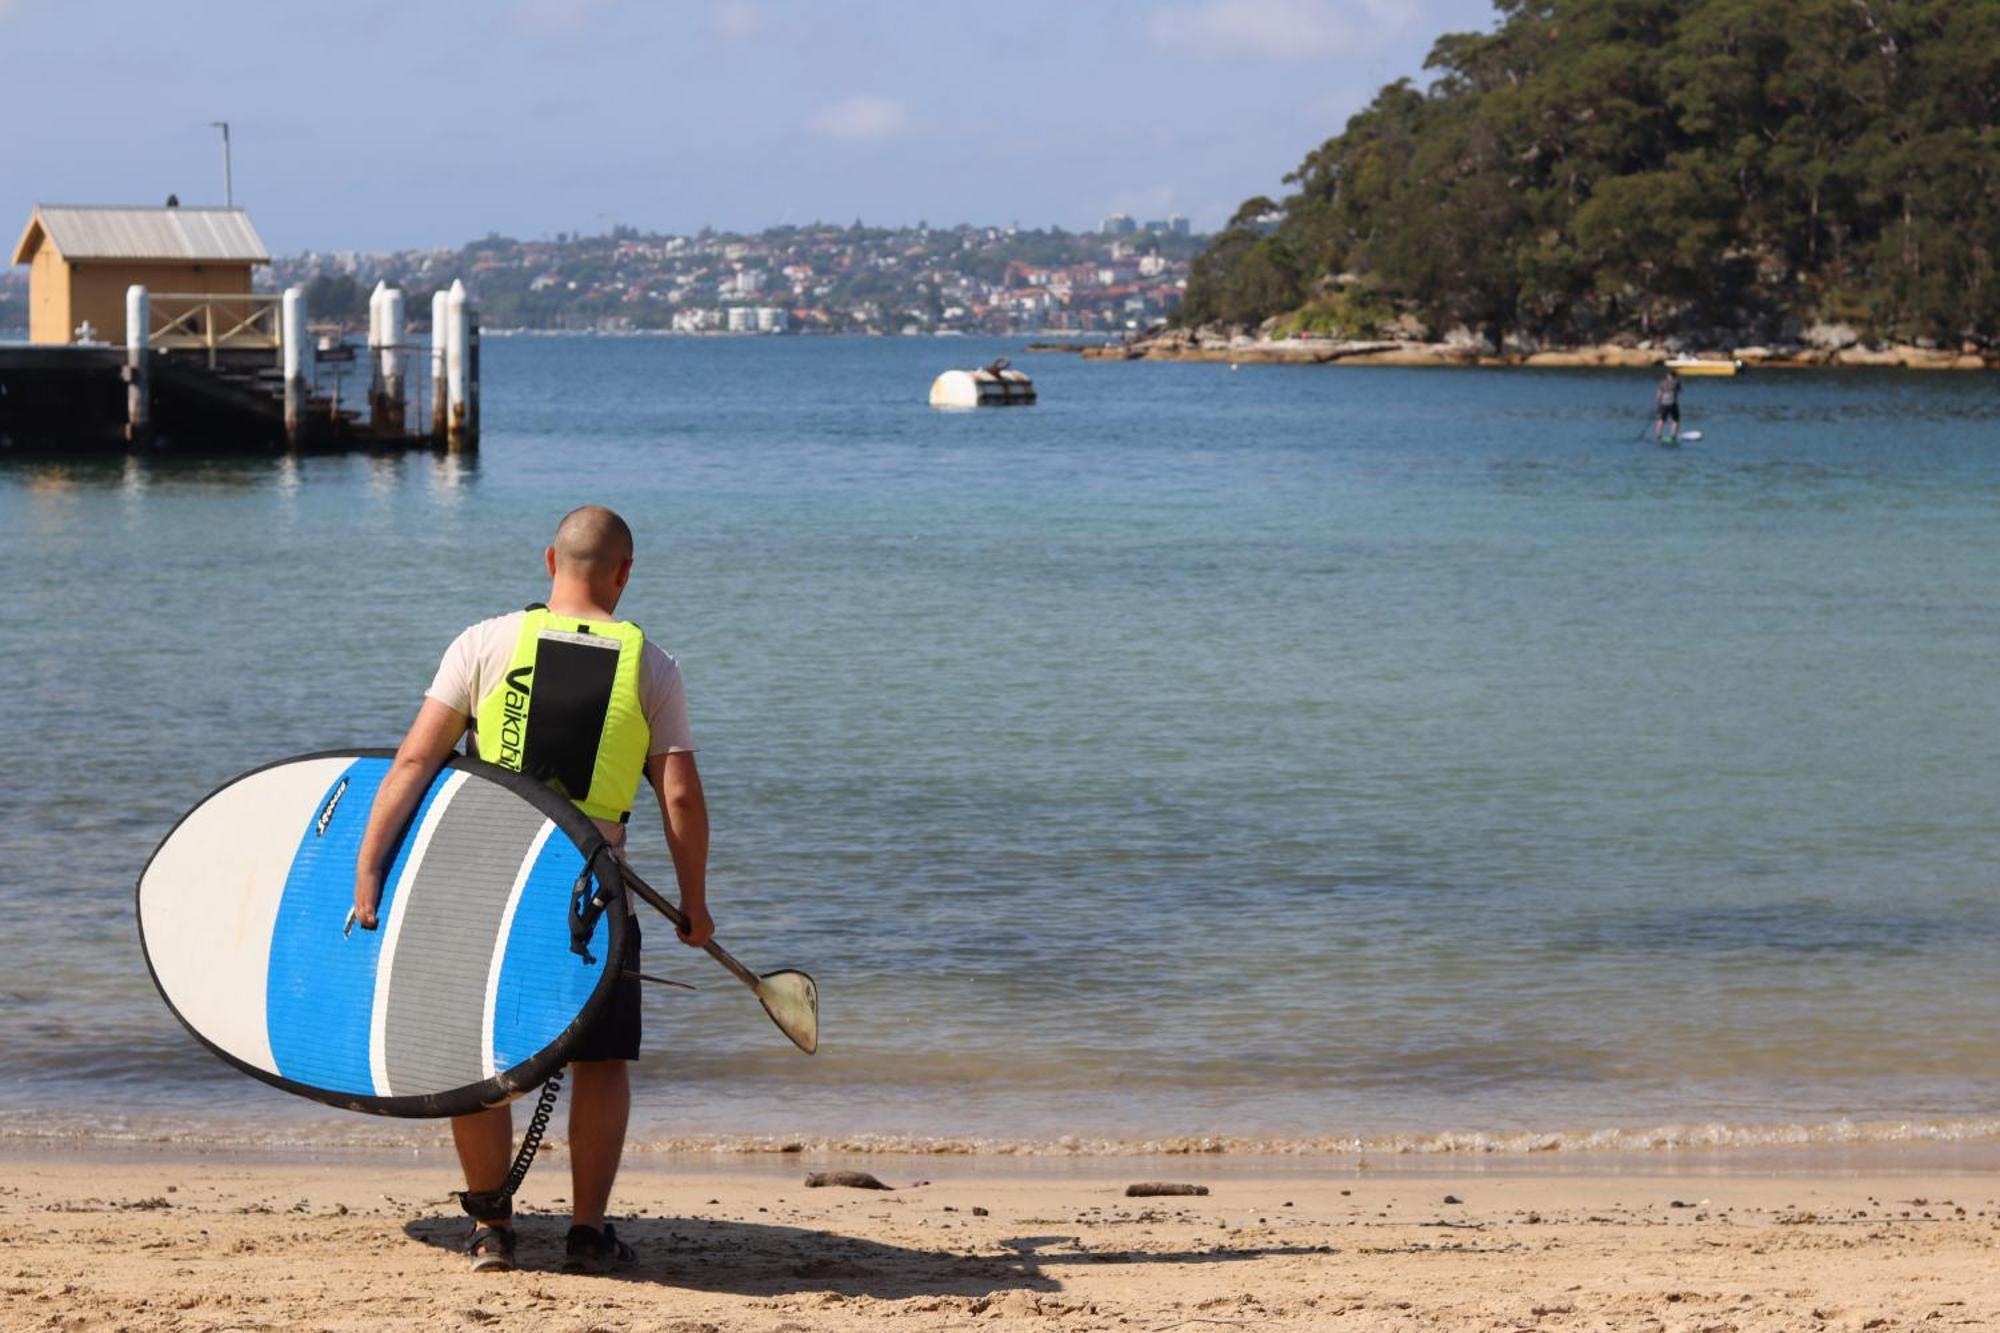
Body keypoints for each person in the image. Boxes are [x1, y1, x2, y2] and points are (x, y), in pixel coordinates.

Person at [350, 505, 713, 1274]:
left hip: (488, 881)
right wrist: (694, 902)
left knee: (483, 1055)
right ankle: (586, 1231)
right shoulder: (652, 665)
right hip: (593, 891)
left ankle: (491, 1227)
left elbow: (413, 762)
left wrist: (369, 866)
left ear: (551, 561)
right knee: (602, 1060)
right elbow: (679, 795)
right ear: (624, 574)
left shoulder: (483, 642)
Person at [1652, 368, 1682, 442]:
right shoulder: (1676, 382)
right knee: (1676, 420)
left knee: (1661, 420)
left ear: (1668, 375)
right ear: (1675, 376)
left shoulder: (1662, 383)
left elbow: (1659, 394)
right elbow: (1679, 390)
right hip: (1672, 404)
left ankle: (1658, 435)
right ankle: (1673, 436)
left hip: (1663, 404)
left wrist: (1658, 404)